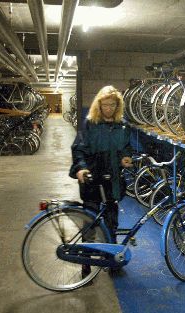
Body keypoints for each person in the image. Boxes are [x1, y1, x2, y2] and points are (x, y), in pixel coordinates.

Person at [69, 85, 133, 243]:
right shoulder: (90, 124)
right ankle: (86, 259)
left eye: (112, 105)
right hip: (92, 177)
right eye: (105, 105)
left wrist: (126, 157)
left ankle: (111, 256)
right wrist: (81, 167)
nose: (109, 108)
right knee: (90, 219)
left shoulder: (122, 125)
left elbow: (126, 147)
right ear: (99, 105)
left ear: (118, 106)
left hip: (112, 179)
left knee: (112, 220)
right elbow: (79, 148)